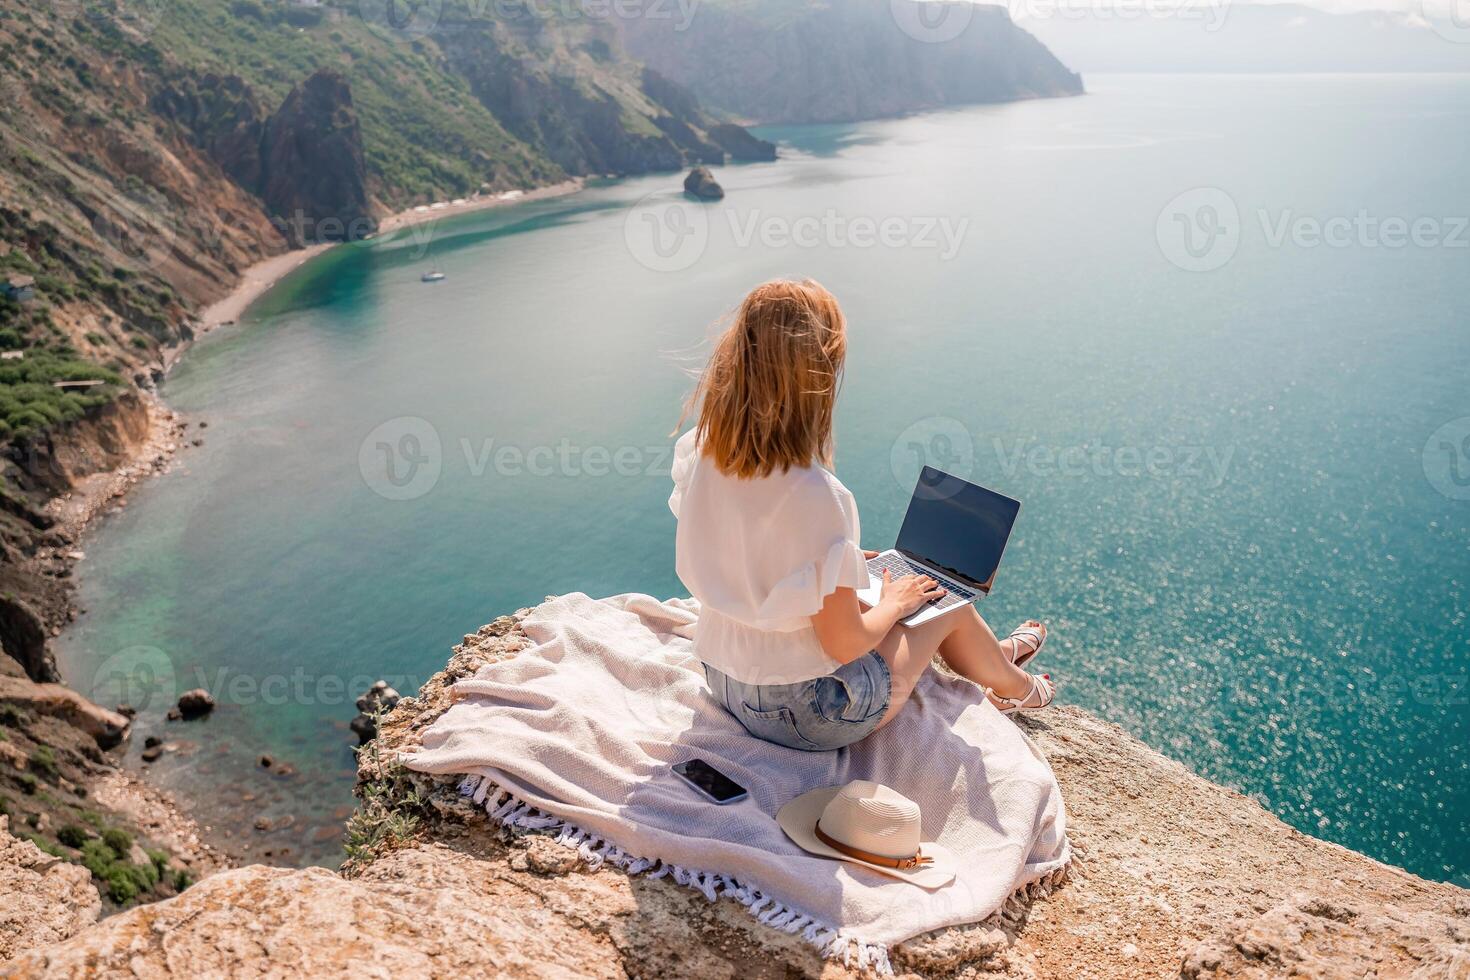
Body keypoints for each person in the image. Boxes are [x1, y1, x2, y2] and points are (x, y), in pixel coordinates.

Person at [669, 279, 1054, 752]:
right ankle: (1018, 688)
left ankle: (1004, 660)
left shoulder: (703, 452)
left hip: (722, 679)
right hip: (808, 713)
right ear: (818, 375)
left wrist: (838, 569)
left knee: (914, 594)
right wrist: (894, 603)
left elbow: (742, 545)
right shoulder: (817, 495)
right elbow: (845, 644)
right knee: (941, 602)